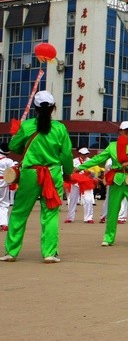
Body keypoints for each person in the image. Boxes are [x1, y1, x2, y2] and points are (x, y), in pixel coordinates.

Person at [1, 91, 73, 263]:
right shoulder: (60, 128)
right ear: (54, 108)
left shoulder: (26, 126)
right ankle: (49, 252)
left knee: (19, 212)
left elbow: (13, 146)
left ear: (35, 109)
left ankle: (11, 252)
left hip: (30, 173)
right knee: (50, 214)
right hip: (52, 174)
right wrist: (68, 172)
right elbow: (66, 154)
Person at [77, 121, 128, 248]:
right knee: (112, 211)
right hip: (117, 181)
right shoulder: (112, 146)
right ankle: (108, 238)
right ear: (120, 131)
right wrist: (80, 167)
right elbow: (98, 159)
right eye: (125, 130)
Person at [64, 147, 97, 224]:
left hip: (86, 182)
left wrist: (90, 173)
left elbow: (94, 173)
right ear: (79, 154)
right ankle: (70, 217)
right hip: (75, 182)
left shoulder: (90, 161)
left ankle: (88, 218)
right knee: (72, 200)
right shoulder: (74, 161)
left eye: (86, 154)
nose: (84, 155)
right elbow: (70, 171)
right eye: (83, 154)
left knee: (88, 200)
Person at [0, 144, 18, 232]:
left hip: (4, 184)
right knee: (4, 204)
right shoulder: (9, 161)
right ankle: (4, 224)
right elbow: (15, 169)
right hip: (4, 184)